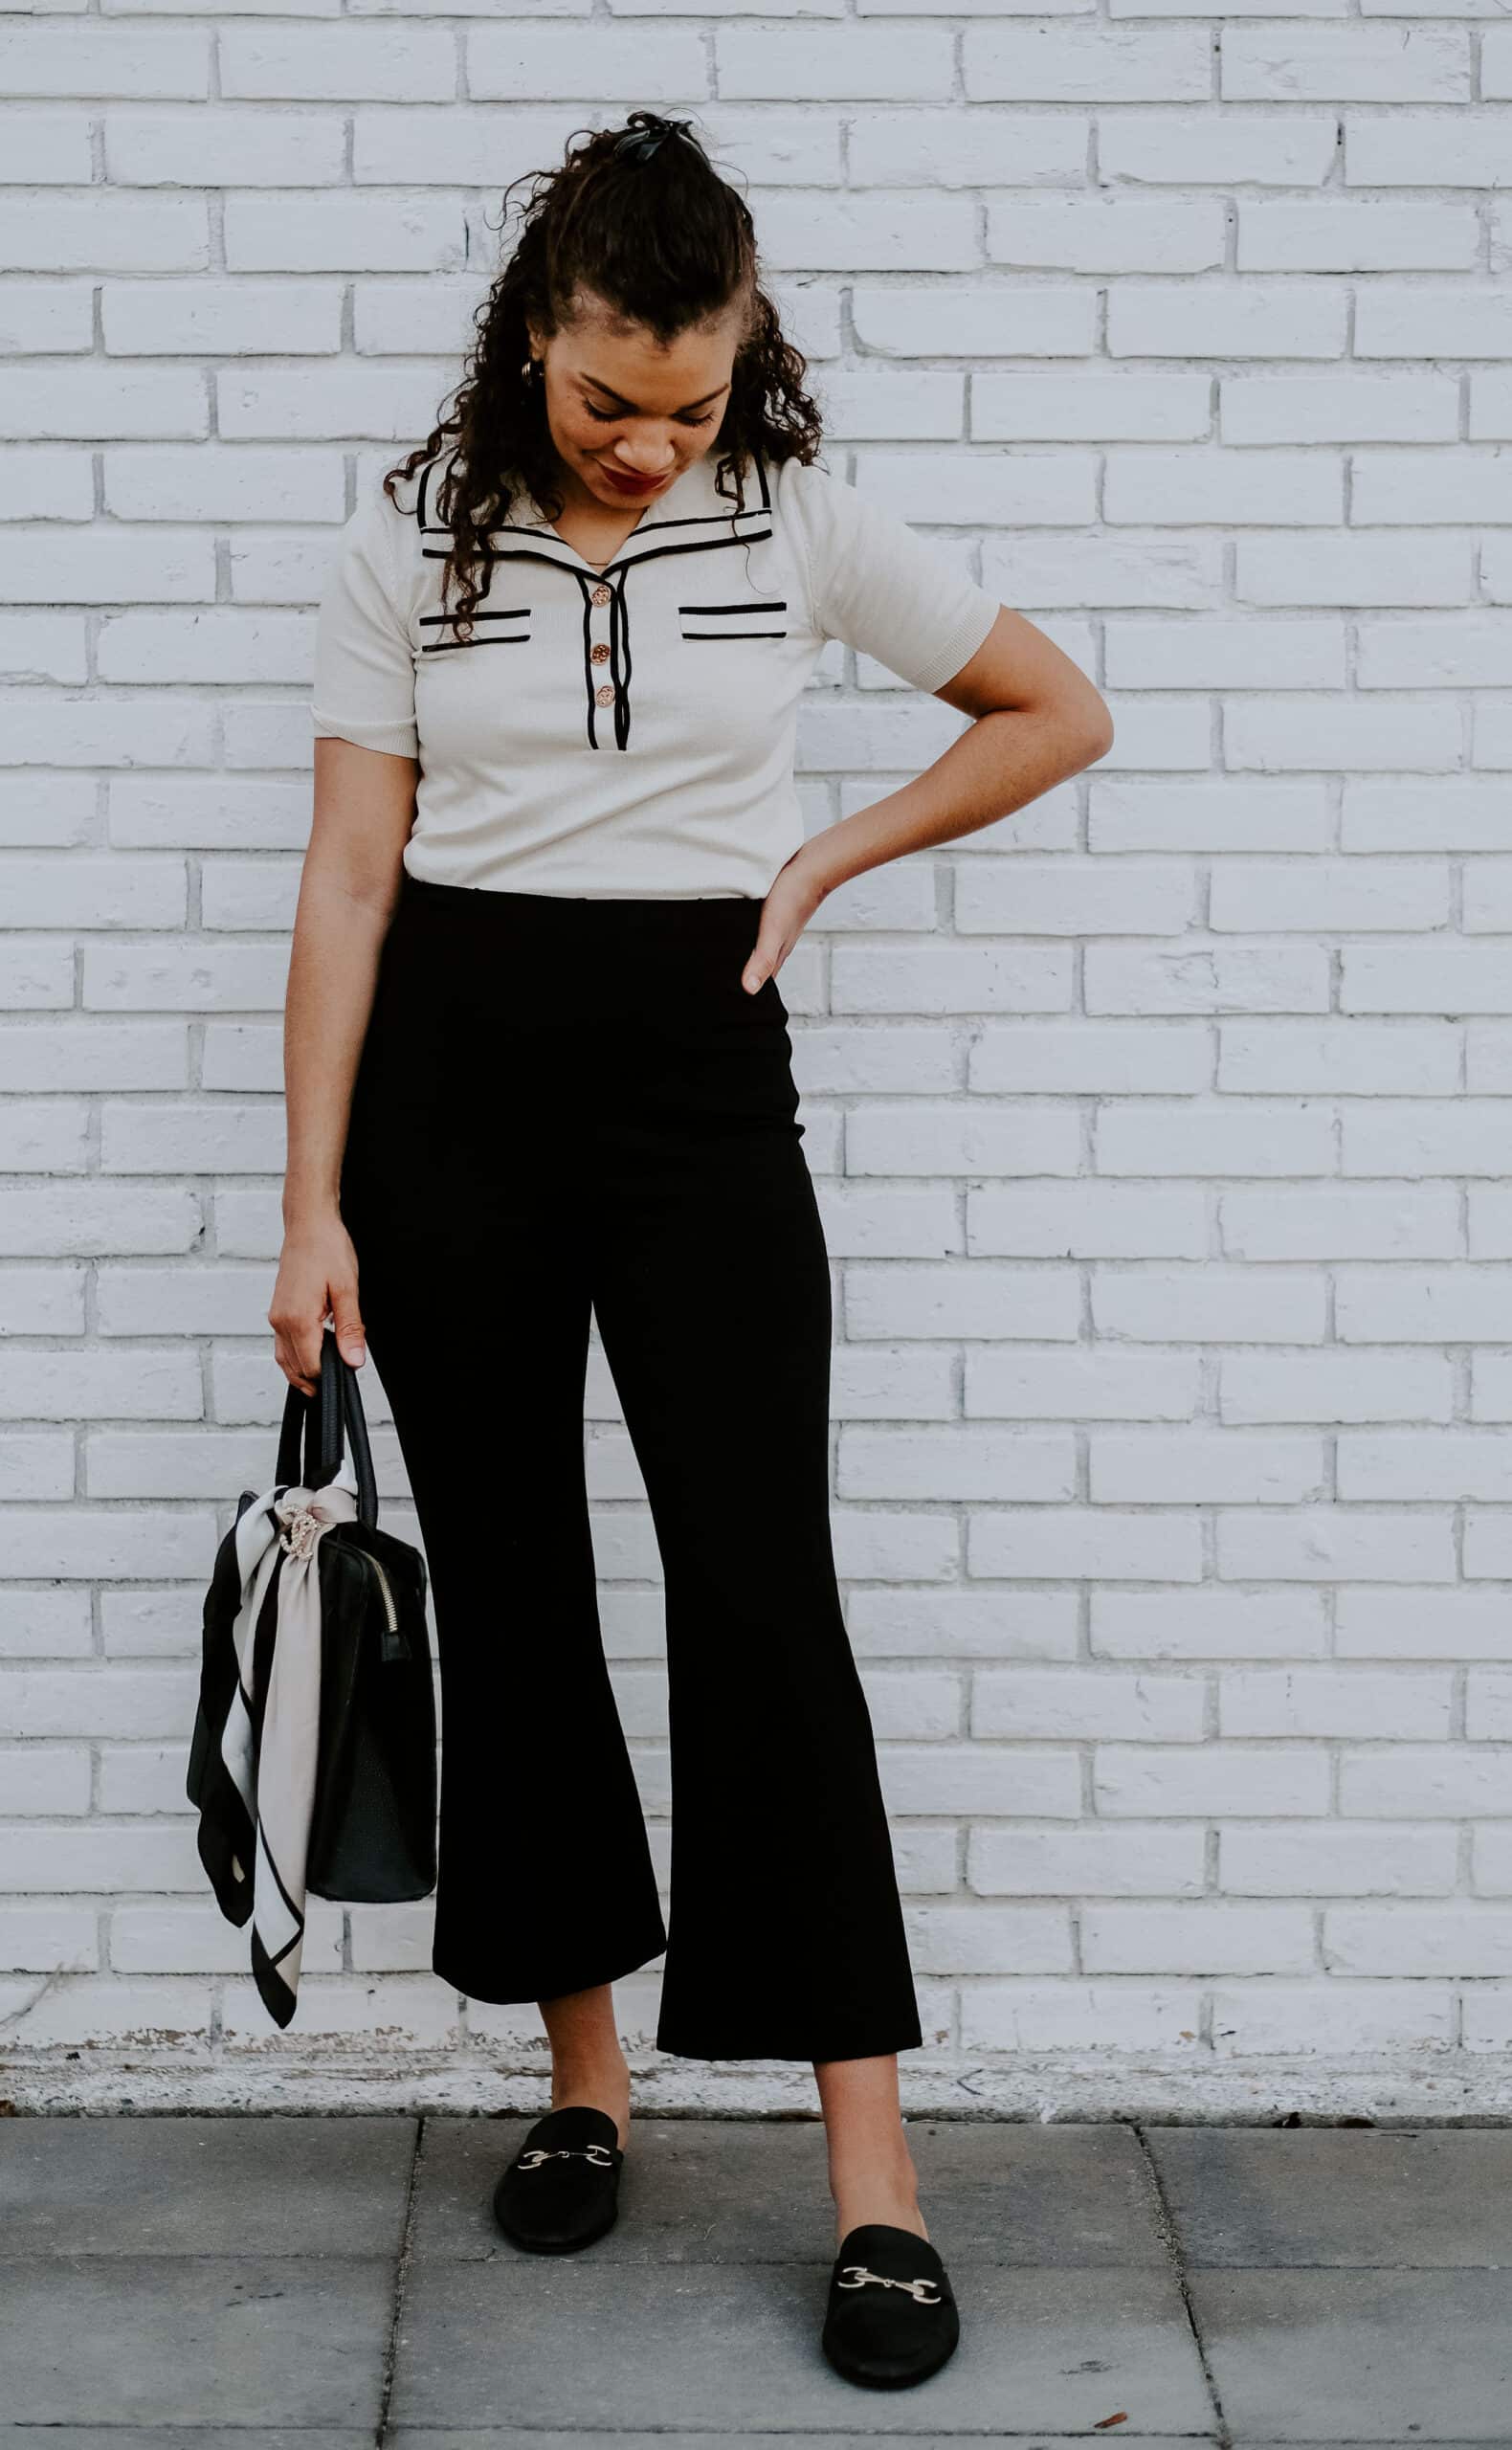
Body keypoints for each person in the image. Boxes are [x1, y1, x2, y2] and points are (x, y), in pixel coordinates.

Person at [272, 108, 1113, 2391]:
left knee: (762, 1593)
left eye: (691, 400)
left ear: (745, 358)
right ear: (530, 342)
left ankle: (874, 2182)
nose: (649, 445)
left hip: (696, 1088)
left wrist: (826, 857)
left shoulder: (802, 521)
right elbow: (352, 878)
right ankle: (584, 2078)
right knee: (524, 1589)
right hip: (453, 1093)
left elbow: (1055, 707)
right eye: (604, 402)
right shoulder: (413, 537)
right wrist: (308, 1204)